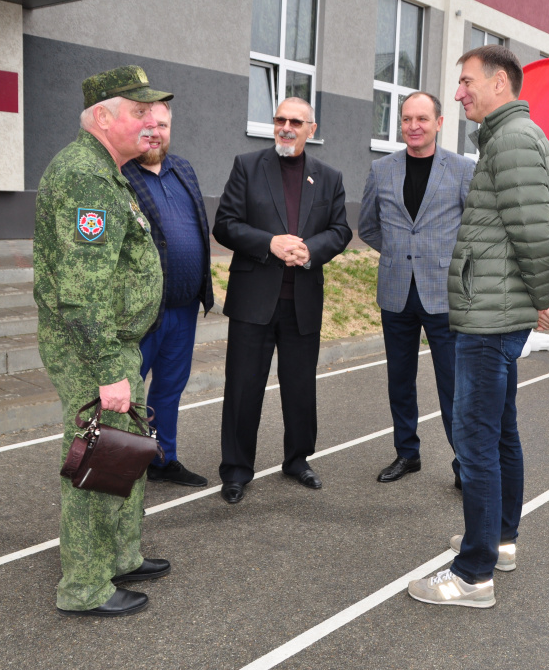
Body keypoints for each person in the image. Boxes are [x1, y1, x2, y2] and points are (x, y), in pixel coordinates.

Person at [408, 45, 549, 608]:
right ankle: (498, 540)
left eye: (467, 82)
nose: (458, 93)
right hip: (496, 310)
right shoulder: (510, 138)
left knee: (475, 439)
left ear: (500, 83)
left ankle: (473, 574)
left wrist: (544, 297)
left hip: (488, 319)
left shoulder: (514, 141)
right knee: (498, 432)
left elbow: (534, 232)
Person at [34, 65, 173, 617]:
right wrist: (108, 368)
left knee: (125, 450)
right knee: (98, 459)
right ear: (102, 117)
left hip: (115, 343)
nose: (150, 124)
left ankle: (120, 554)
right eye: (138, 112)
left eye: (152, 114)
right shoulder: (85, 176)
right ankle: (85, 587)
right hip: (94, 347)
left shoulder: (109, 172)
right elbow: (79, 291)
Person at [212, 97, 352, 505]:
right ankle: (236, 470)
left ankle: (297, 459)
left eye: (295, 121)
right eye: (279, 120)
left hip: (301, 301)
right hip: (253, 300)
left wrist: (311, 249)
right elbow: (225, 225)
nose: (286, 127)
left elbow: (340, 231)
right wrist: (269, 243)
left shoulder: (329, 177)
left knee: (299, 388)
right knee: (242, 388)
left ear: (311, 128)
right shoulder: (247, 166)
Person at [358, 92, 474, 485]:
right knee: (400, 380)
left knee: (452, 385)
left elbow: (473, 230)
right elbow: (369, 226)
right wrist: (399, 254)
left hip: (443, 294)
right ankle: (407, 454)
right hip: (395, 292)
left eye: (422, 119)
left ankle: (464, 465)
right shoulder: (381, 169)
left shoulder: (461, 170)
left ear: (439, 123)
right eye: (407, 119)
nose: (413, 126)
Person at [122, 101, 214, 487]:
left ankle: (162, 458)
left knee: (169, 388)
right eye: (146, 124)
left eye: (162, 124)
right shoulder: (119, 175)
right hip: (143, 310)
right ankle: (120, 463)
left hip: (184, 306)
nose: (154, 131)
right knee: (126, 389)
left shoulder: (184, 169)